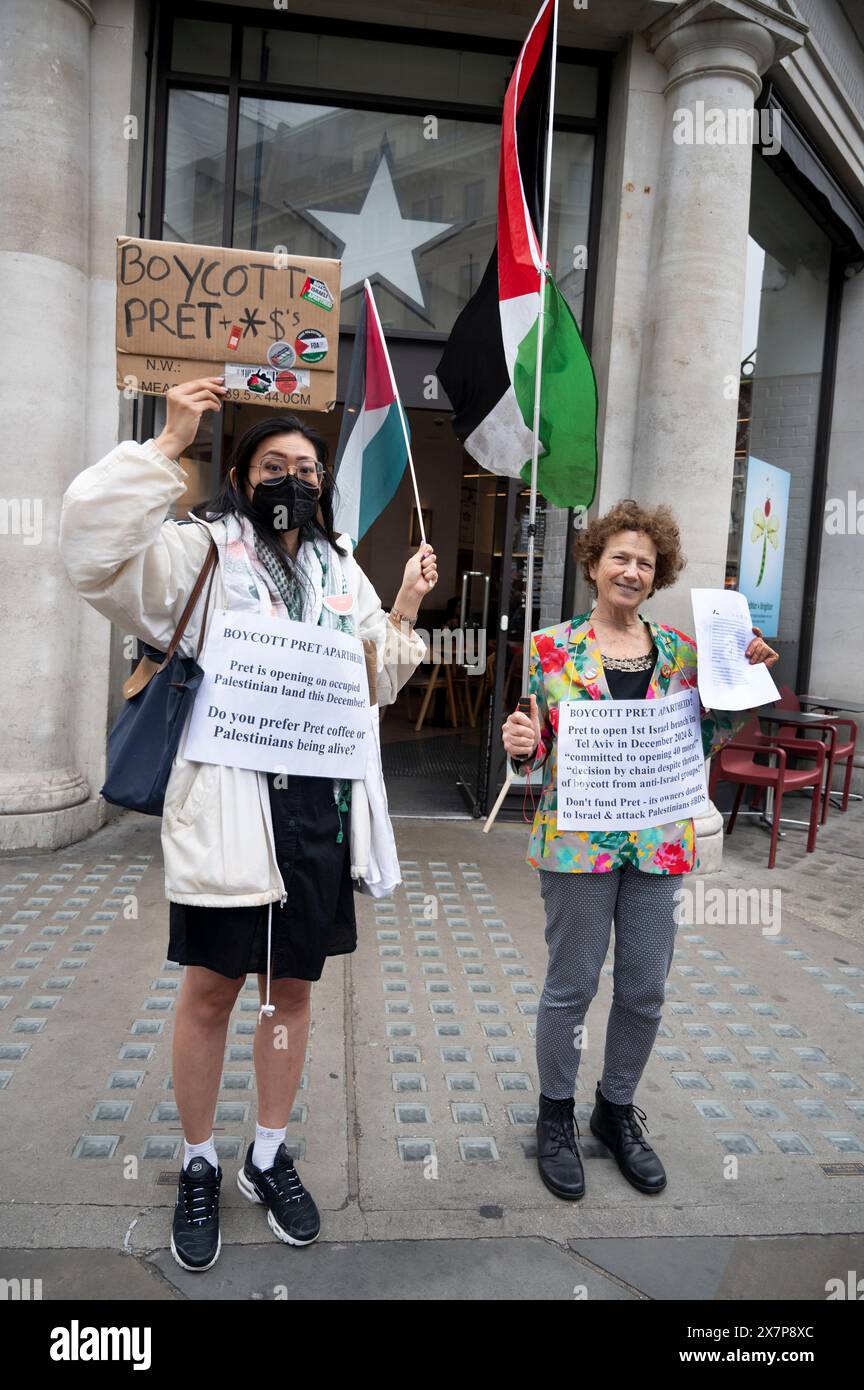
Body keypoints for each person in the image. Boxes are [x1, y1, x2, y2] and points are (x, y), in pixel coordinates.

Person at [59, 376, 438, 1271]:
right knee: (212, 991)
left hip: (317, 813)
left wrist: (407, 606)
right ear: (240, 475)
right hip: (230, 807)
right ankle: (198, 1165)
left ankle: (268, 1154)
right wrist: (165, 446)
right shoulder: (199, 552)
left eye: (307, 468)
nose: (293, 480)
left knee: (291, 992)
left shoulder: (338, 570)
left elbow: (372, 684)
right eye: (274, 466)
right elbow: (89, 553)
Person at [501, 499, 778, 1202]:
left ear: (657, 579)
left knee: (646, 988)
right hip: (579, 844)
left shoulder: (685, 655)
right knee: (572, 984)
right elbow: (535, 757)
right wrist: (524, 750)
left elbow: (705, 743)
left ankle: (615, 1111)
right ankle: (555, 1116)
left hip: (657, 843)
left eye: (645, 564)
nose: (631, 570)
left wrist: (743, 681)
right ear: (593, 565)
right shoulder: (549, 649)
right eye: (619, 557)